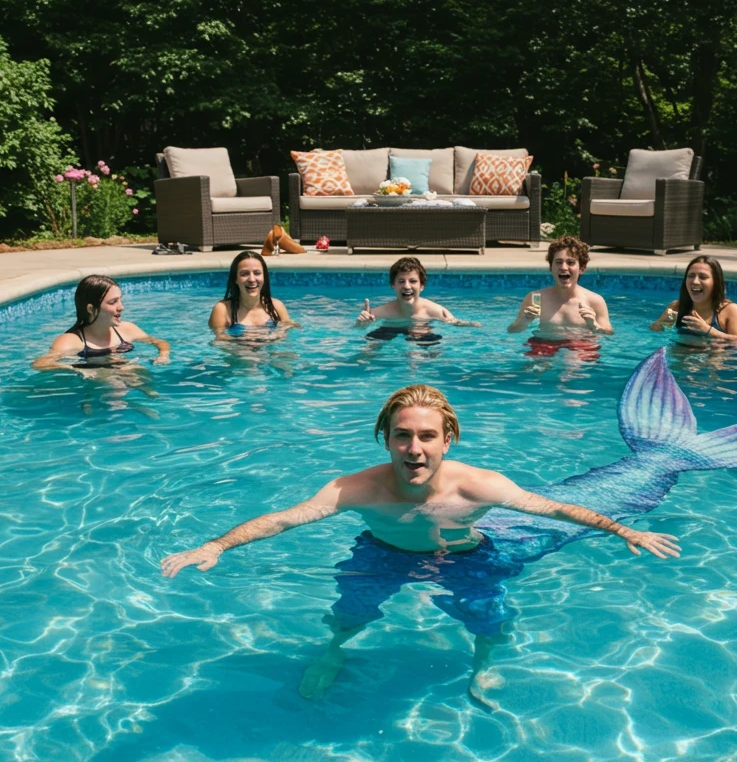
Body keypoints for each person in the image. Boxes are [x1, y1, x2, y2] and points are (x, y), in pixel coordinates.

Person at [161, 384, 680, 711]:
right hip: (381, 554)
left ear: (446, 439)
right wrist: (217, 544)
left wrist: (624, 531)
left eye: (427, 436)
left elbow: (553, 509)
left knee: (490, 621)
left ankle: (482, 665)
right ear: (386, 439)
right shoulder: (357, 489)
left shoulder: (478, 486)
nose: (414, 448)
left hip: (464, 558)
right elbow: (286, 518)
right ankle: (333, 653)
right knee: (348, 614)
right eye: (402, 436)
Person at [33, 275, 170, 371]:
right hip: (95, 387)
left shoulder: (127, 329)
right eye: (113, 302)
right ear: (91, 308)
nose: (121, 307)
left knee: (136, 370)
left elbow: (159, 342)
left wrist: (163, 356)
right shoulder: (71, 341)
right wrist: (77, 370)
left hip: (125, 375)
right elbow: (40, 364)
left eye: (120, 300)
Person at [508, 236, 612, 359]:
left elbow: (608, 333)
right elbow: (513, 330)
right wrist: (524, 321)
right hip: (543, 343)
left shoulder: (594, 301)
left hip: (580, 344)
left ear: (582, 268)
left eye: (570, 262)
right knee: (535, 367)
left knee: (571, 363)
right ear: (550, 267)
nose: (563, 267)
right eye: (558, 262)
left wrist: (594, 325)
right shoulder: (536, 298)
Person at [358, 257, 478, 342]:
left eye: (413, 281)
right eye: (401, 281)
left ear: (422, 286)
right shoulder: (376, 314)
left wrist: (468, 324)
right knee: (368, 351)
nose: (407, 286)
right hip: (388, 329)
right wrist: (361, 324)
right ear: (393, 285)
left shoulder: (435, 311)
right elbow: (357, 329)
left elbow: (457, 324)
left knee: (427, 354)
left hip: (422, 331)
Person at [649, 255, 737, 341]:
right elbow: (655, 333)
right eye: (691, 276)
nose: (695, 281)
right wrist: (661, 325)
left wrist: (708, 331)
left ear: (715, 282)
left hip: (713, 357)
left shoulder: (730, 310)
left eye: (703, 277)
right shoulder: (677, 307)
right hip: (679, 356)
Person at [209, 251, 297, 340]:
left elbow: (289, 329)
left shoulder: (276, 306)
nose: (252, 279)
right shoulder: (223, 310)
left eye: (257, 273)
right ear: (235, 279)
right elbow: (219, 340)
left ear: (264, 277)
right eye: (244, 274)